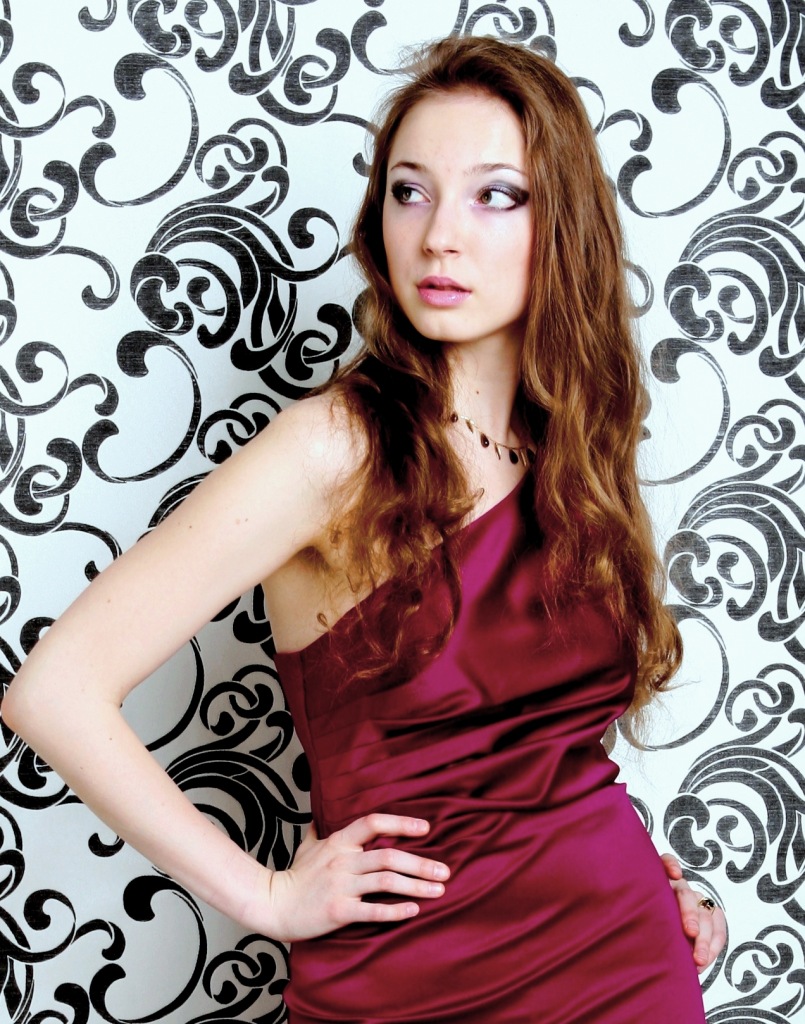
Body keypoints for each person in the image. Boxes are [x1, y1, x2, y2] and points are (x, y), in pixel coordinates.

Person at [3, 35, 726, 1024]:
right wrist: (265, 895)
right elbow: (53, 690)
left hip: (620, 968)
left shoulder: (575, 450)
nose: (438, 237)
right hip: (403, 989)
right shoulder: (333, 449)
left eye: (495, 195)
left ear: (564, 226)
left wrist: (666, 880)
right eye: (409, 191)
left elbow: (545, 758)